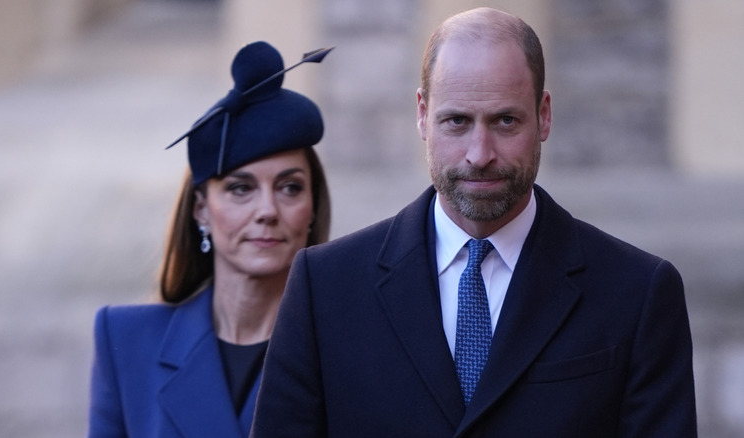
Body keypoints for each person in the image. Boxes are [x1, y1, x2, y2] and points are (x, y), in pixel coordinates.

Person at [251, 8, 696, 438]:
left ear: (543, 115)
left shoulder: (637, 293)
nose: (479, 154)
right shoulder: (325, 288)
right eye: (457, 121)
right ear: (422, 114)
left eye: (505, 121)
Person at [87, 41, 333, 437]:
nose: (267, 210)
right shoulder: (126, 340)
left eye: (289, 187)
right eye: (241, 188)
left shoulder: (347, 348)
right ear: (201, 209)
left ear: (313, 207)